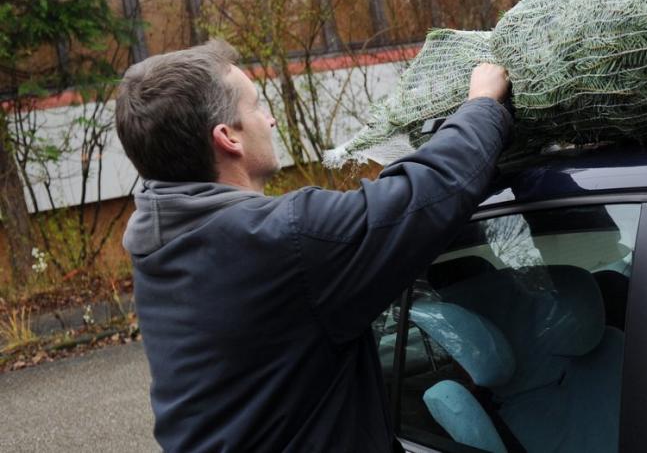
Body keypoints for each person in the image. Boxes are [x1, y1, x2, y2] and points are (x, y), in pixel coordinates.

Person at [113, 39, 512, 452]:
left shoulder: (160, 239)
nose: (269, 120)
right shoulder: (283, 240)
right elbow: (426, 194)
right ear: (228, 137)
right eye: (255, 107)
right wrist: (483, 102)